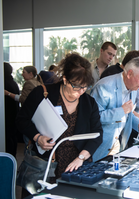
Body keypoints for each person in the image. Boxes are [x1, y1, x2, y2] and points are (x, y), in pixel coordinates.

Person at [16, 52, 103, 195]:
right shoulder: (42, 94)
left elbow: (97, 134)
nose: (81, 91)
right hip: (46, 163)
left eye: (85, 87)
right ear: (65, 79)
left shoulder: (89, 102)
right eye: (76, 86)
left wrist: (81, 158)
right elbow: (21, 120)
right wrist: (38, 137)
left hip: (76, 164)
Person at [90, 57, 139, 161]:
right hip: (99, 146)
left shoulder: (133, 87)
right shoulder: (104, 86)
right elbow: (95, 117)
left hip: (118, 145)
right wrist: (121, 111)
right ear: (129, 74)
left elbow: (128, 113)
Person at [3, 62, 20, 157]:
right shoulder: (13, 82)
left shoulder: (3, 83)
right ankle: (12, 157)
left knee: (7, 138)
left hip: (6, 114)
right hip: (14, 113)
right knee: (12, 136)